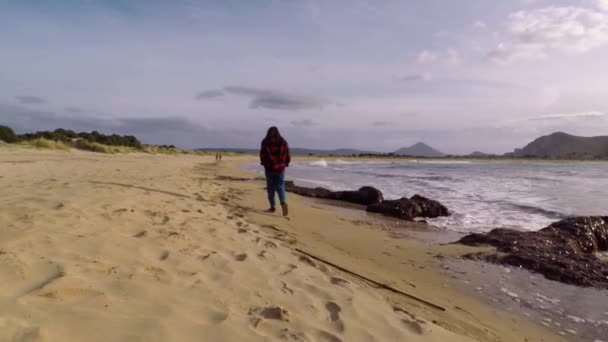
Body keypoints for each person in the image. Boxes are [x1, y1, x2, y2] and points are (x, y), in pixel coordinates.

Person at [260, 126, 290, 216]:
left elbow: (262, 154)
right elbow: (287, 154)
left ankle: (272, 207)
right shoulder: (283, 142)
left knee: (270, 188)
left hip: (269, 168)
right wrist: (286, 163)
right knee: (280, 186)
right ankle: (283, 202)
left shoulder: (265, 141)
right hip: (280, 168)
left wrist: (264, 163)